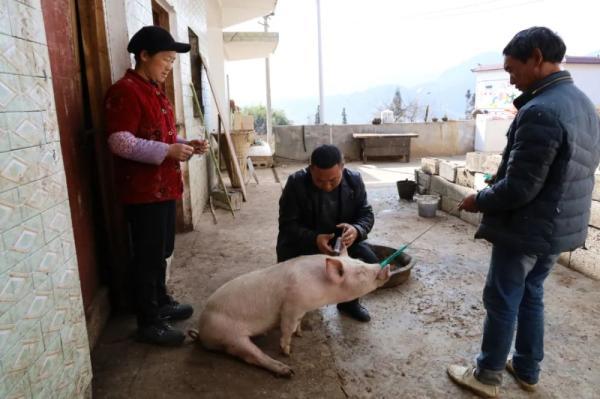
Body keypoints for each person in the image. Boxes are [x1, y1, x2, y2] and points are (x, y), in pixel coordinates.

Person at [447, 27, 600, 398]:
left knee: (502, 298)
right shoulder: (583, 104)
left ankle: (487, 375)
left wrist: (478, 200)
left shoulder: (541, 111)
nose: (511, 79)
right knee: (531, 293)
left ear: (535, 57)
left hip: (529, 228)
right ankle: (528, 368)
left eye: (512, 69)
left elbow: (519, 187)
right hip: (560, 227)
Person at [104, 26, 209, 346]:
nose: (168, 66)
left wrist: (183, 144)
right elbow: (119, 141)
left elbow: (158, 138)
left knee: (163, 250)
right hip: (142, 191)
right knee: (148, 256)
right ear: (144, 56)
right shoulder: (125, 90)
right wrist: (168, 151)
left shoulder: (154, 91)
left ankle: (161, 302)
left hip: (163, 186)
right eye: (165, 59)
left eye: (173, 62)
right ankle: (148, 321)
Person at [276, 144, 377, 322]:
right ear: (311, 169)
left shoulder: (354, 181)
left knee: (370, 261)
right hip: (303, 243)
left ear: (342, 168)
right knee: (293, 284)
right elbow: (287, 225)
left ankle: (349, 303)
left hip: (340, 243)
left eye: (333, 180)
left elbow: (366, 214)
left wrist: (356, 230)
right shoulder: (296, 183)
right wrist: (314, 239)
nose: (327, 186)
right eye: (320, 181)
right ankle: (297, 304)